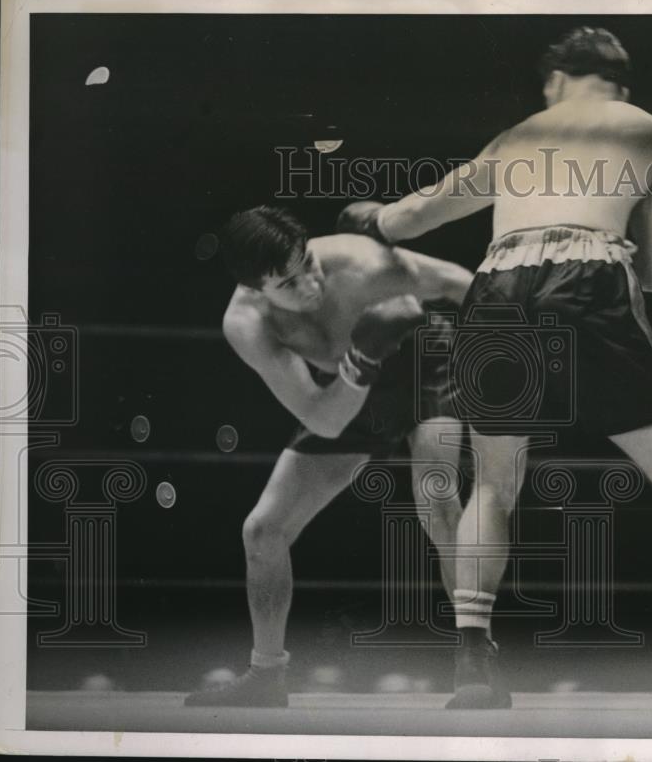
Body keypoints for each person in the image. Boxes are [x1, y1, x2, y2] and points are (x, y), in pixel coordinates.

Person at [336, 27, 652, 712]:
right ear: (621, 82)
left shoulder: (520, 133)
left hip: (497, 284)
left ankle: (472, 660)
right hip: (591, 274)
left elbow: (414, 216)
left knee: (494, 485)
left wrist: (373, 219)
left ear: (556, 78)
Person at [184, 205, 473, 707]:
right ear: (256, 288)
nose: (310, 284)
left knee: (437, 498)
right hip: (351, 389)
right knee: (263, 530)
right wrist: (363, 357)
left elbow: (460, 282)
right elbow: (324, 419)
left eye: (308, 265)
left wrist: (513, 353)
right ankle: (266, 676)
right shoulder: (247, 323)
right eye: (288, 284)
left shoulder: (361, 261)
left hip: (426, 362)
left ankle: (477, 664)